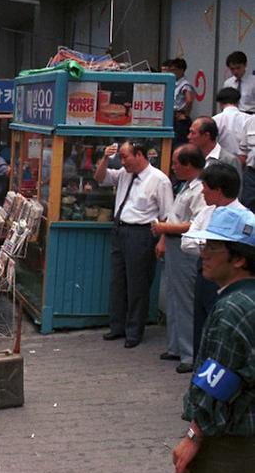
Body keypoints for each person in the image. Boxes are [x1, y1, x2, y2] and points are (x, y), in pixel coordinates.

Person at [167, 206, 255, 473]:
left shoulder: (233, 309)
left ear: (239, 259)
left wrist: (193, 436)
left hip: (228, 441)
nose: (203, 253)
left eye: (213, 247)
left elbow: (219, 382)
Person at [95, 141, 174, 348]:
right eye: (120, 157)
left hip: (141, 233)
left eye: (125, 157)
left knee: (137, 283)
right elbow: (100, 177)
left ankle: (134, 331)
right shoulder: (124, 174)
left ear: (139, 155)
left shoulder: (159, 180)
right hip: (120, 229)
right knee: (118, 281)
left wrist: (162, 241)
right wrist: (105, 158)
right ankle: (117, 326)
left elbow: (167, 214)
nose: (122, 162)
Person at [181, 163, 248, 364]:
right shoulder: (206, 212)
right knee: (201, 326)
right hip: (204, 277)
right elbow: (186, 242)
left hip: (228, 282)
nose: (202, 191)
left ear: (218, 190)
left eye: (206, 187)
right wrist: (210, 246)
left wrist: (203, 244)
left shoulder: (246, 219)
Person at [152, 145, 207, 373]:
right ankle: (175, 346)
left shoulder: (200, 190)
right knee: (173, 297)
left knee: (184, 300)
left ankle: (188, 353)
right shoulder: (185, 186)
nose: (173, 167)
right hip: (174, 244)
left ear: (188, 165)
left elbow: (196, 223)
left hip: (186, 248)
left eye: (176, 163)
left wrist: (166, 227)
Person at [188, 116, 243, 187]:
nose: (189, 136)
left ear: (206, 135)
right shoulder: (192, 156)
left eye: (193, 133)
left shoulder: (229, 160)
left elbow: (235, 191)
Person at [212, 88, 250, 165]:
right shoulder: (249, 119)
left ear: (220, 103)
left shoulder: (215, 120)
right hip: (247, 163)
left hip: (222, 163)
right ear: (238, 101)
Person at [171, 58, 195, 147]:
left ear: (181, 70)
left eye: (174, 70)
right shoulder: (174, 83)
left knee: (179, 142)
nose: (172, 72)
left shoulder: (184, 84)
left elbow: (189, 100)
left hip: (180, 116)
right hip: (173, 116)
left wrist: (186, 115)